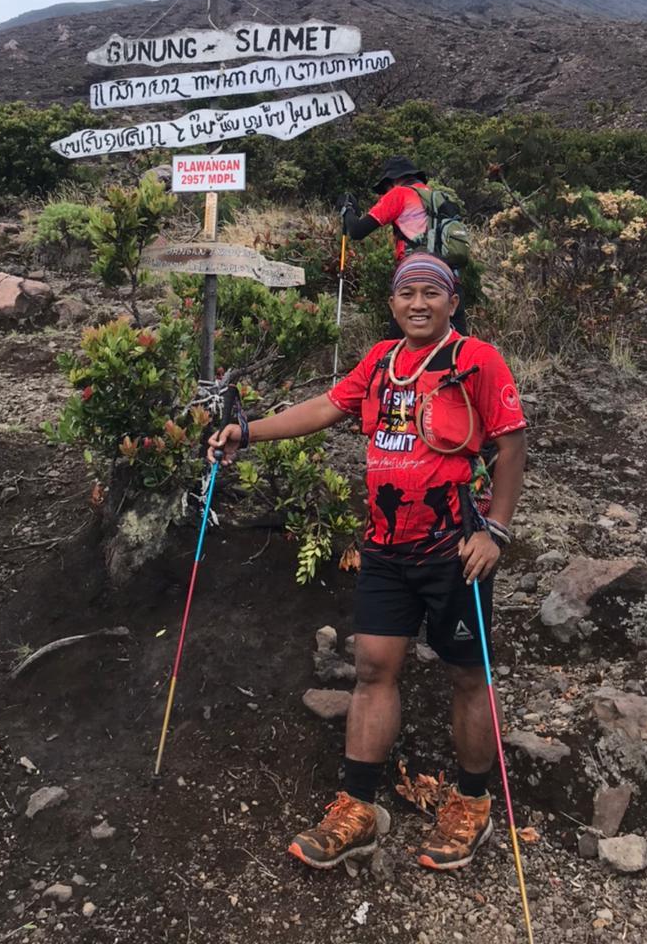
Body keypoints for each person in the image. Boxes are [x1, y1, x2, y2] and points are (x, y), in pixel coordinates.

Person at [208, 252, 527, 872]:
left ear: (452, 303)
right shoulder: (381, 361)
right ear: (391, 304)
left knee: (467, 674)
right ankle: (358, 810)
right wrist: (246, 432)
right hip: (386, 547)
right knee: (373, 669)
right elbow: (325, 409)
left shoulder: (476, 361)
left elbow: (511, 444)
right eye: (406, 293)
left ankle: (472, 803)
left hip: (456, 550)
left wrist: (497, 532)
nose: (417, 304)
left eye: (430, 294)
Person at [340, 156, 469, 336]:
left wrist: (348, 211)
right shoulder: (436, 197)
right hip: (449, 280)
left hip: (415, 277)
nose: (384, 193)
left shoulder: (399, 194)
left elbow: (357, 231)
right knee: (457, 348)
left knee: (402, 348)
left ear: (392, 181)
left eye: (384, 188)